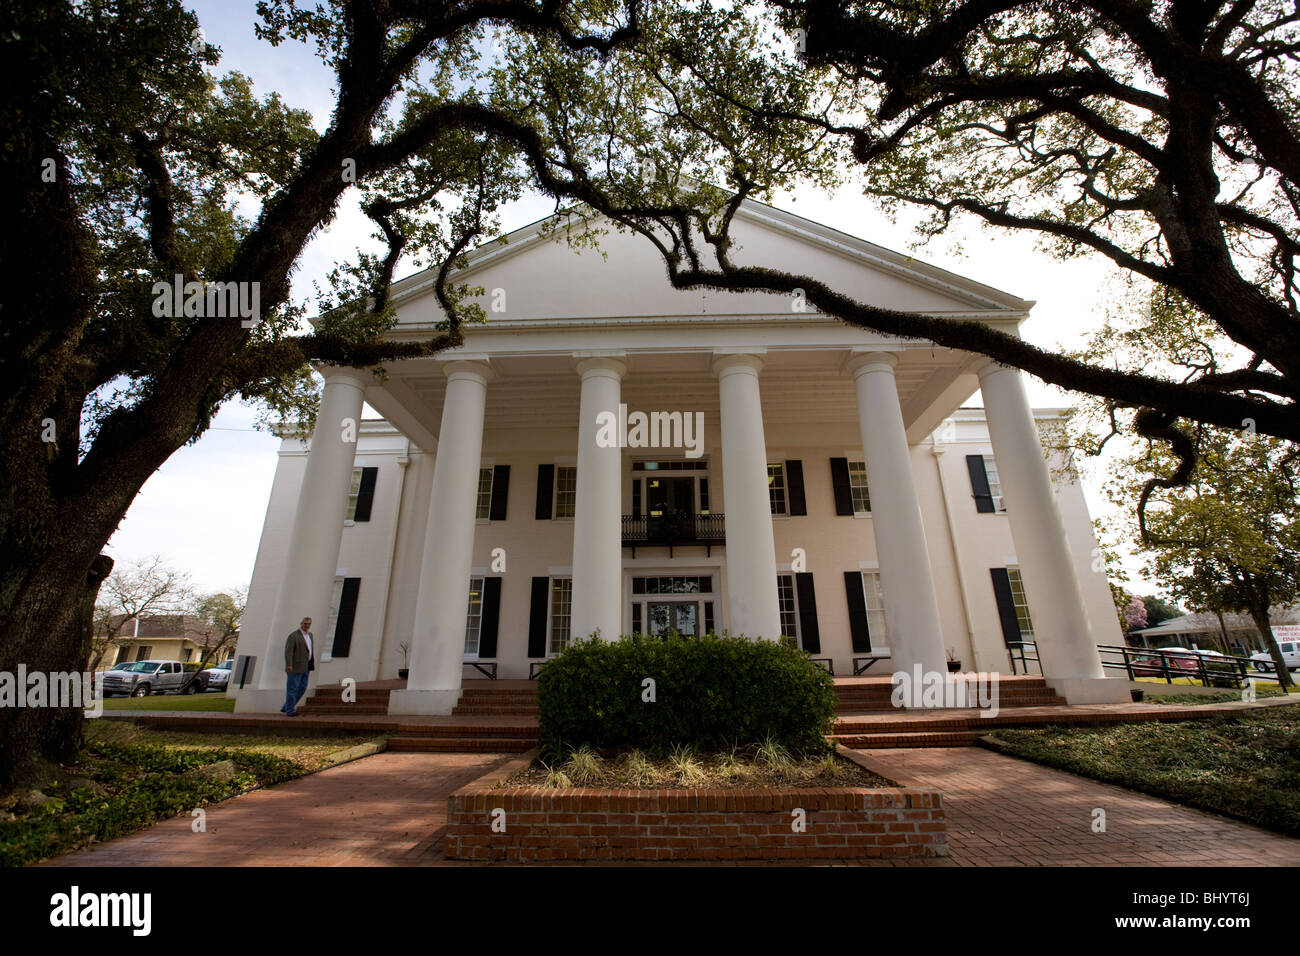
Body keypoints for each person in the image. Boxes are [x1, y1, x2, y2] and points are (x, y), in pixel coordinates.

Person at [282, 616, 315, 716]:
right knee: (293, 689)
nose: (307, 626)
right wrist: (289, 664)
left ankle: (286, 706)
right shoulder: (293, 636)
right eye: (305, 624)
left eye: (309, 624)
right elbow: (288, 652)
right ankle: (290, 711)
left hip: (306, 666)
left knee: (303, 688)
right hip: (295, 666)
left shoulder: (310, 635)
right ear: (301, 624)